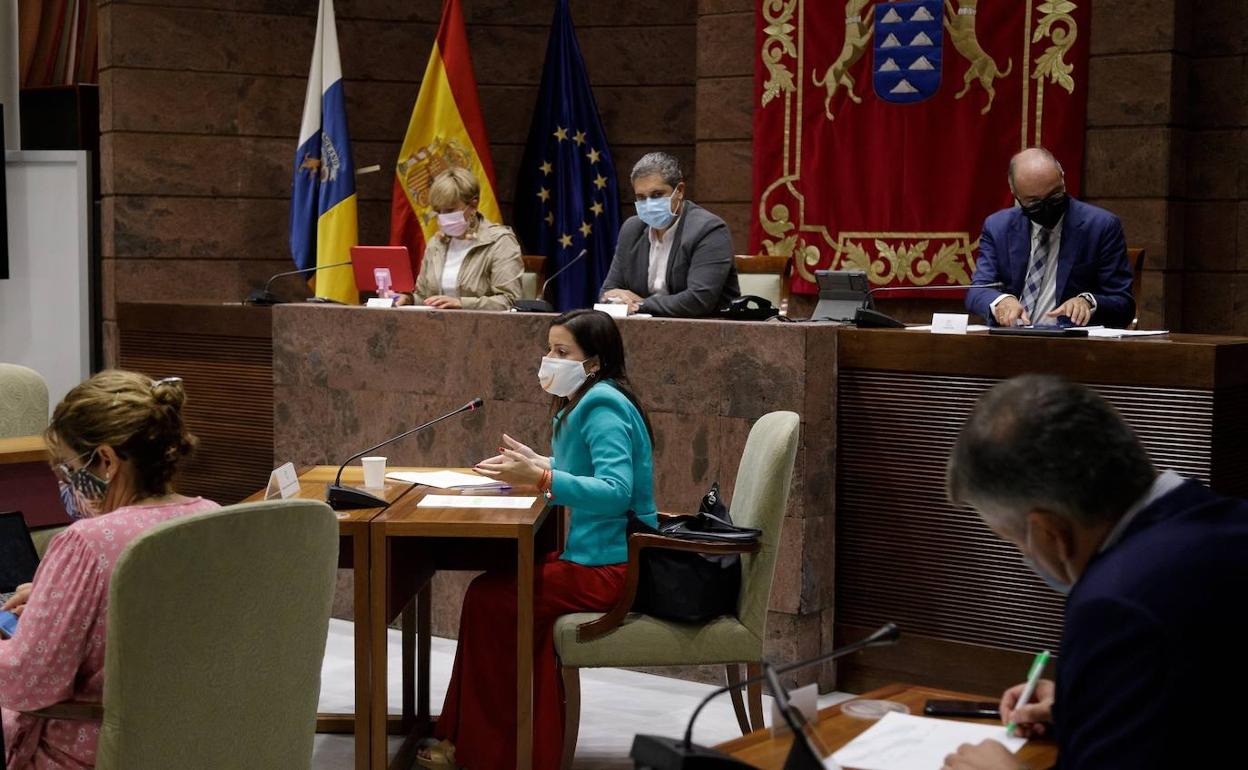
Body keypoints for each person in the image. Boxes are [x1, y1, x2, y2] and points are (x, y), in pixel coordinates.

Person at [941, 374, 1248, 770]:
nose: (1024, 557)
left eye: (1014, 541)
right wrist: (1093, 706)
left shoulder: (1114, 606)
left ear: (1050, 532)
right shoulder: (1226, 519)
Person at [415, 309, 657, 770]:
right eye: (548, 348)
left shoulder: (602, 405)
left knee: (491, 599)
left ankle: (486, 751)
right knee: (491, 594)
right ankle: (483, 740)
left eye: (562, 352)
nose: (549, 359)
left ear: (595, 362)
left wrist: (543, 476)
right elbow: (585, 468)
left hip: (611, 569)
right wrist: (537, 461)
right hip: (592, 559)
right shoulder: (587, 399)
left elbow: (616, 492)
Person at [0, 371, 218, 769]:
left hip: (94, 751)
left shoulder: (86, 541)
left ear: (106, 460)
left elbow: (26, 682)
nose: (64, 482)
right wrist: (55, 597)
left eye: (66, 468)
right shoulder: (212, 518)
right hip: (193, 742)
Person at [966, 148, 1135, 328]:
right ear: (1015, 194)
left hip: (1070, 345)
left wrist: (1088, 302)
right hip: (1011, 341)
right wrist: (1002, 301)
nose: (1046, 208)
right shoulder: (998, 226)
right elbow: (978, 291)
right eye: (1034, 203)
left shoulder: (1101, 226)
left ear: (1062, 177)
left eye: (1054, 196)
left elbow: (1123, 303)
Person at [600, 151, 740, 316]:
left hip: (707, 332)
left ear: (679, 191)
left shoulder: (708, 229)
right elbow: (608, 291)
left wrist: (640, 304)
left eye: (657, 195)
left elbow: (698, 300)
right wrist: (616, 299)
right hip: (643, 331)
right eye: (641, 197)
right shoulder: (632, 229)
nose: (649, 204)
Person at [398, 167, 525, 310]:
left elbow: (510, 301)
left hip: (484, 328)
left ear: (473, 204)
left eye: (450, 210)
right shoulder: (436, 243)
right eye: (439, 211)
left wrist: (461, 303)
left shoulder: (500, 242)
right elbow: (424, 297)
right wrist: (408, 299)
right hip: (437, 328)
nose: (443, 217)